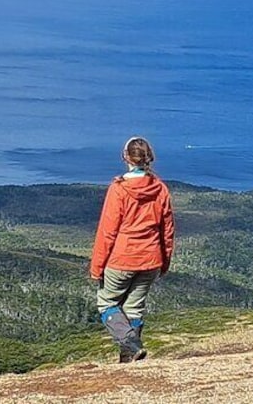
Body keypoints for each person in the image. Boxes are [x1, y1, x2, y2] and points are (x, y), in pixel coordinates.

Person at [90, 136, 175, 363]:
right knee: (134, 308)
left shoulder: (119, 190)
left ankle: (129, 343)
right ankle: (129, 358)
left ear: (125, 157)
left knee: (107, 303)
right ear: (149, 158)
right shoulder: (160, 189)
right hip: (151, 259)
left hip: (122, 259)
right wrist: (165, 262)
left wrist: (97, 267)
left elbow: (107, 232)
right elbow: (167, 231)